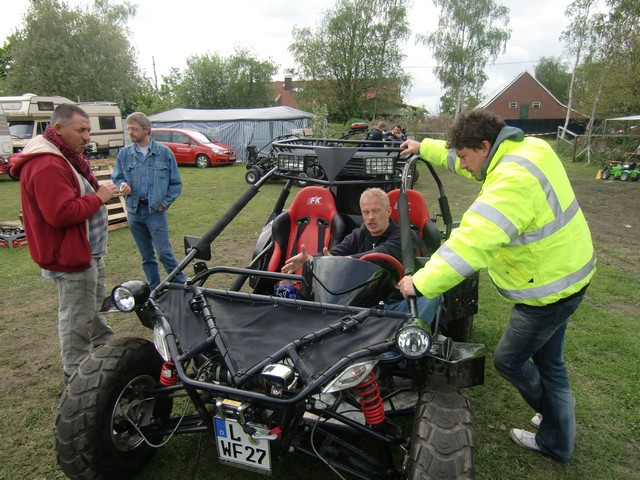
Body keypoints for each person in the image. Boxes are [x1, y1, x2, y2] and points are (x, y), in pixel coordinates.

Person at [398, 109, 595, 463]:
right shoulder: (529, 148)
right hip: (570, 274)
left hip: (547, 293)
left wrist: (420, 282)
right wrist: (422, 146)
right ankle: (559, 421)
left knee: (509, 361)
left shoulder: (512, 181)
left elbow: (471, 243)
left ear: (485, 146)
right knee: (551, 365)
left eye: (466, 156)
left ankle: (554, 431)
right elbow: (460, 159)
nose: (464, 166)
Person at [10, 104, 118, 382]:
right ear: (57, 128)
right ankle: (78, 374)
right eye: (80, 130)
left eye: (89, 130)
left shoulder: (64, 156)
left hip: (86, 251)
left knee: (94, 307)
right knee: (76, 317)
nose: (87, 136)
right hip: (70, 256)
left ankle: (105, 354)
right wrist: (99, 197)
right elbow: (60, 214)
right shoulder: (47, 163)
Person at [281, 187, 442, 325]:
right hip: (360, 302)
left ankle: (404, 344)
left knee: (433, 298)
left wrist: (346, 260)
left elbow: (379, 255)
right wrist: (310, 258)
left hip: (394, 303)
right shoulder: (359, 234)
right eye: (366, 212)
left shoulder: (404, 237)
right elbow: (336, 252)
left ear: (388, 211)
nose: (370, 217)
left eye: (376, 211)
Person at [112, 112, 187, 289]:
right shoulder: (124, 154)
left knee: (163, 252)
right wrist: (122, 184)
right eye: (128, 128)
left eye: (134, 129)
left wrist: (164, 203)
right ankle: (154, 288)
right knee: (146, 255)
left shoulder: (164, 153)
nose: (130, 132)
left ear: (147, 130)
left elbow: (175, 184)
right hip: (134, 211)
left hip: (155, 212)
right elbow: (117, 176)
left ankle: (182, 284)